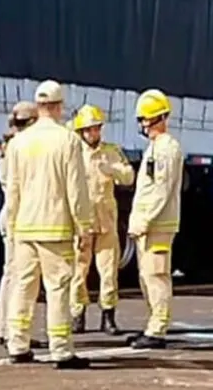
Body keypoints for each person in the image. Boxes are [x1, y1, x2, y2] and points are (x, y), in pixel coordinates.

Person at [4, 80, 92, 369]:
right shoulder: (67, 140)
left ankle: (17, 343)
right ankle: (61, 349)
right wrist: (84, 226)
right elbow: (76, 189)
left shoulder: (18, 143)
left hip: (25, 227)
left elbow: (13, 190)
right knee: (58, 289)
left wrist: (13, 227)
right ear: (59, 106)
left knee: (23, 286)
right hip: (55, 228)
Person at [69, 104, 135, 336]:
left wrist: (113, 169)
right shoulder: (74, 153)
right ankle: (78, 315)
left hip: (106, 220)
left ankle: (108, 316)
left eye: (96, 129)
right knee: (78, 271)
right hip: (83, 223)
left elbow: (128, 177)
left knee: (108, 271)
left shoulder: (111, 151)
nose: (93, 134)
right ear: (80, 132)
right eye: (88, 130)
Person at [126, 89, 184, 349]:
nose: (142, 125)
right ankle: (152, 325)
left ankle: (157, 329)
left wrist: (144, 221)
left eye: (144, 119)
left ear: (157, 119)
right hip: (151, 225)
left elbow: (161, 190)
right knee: (146, 276)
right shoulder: (156, 148)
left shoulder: (166, 149)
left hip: (158, 225)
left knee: (156, 276)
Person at [0, 101, 45, 349]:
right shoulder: (21, 146)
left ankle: (5, 328)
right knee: (21, 276)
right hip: (21, 213)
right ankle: (13, 330)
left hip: (10, 211)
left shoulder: (8, 147)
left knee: (11, 274)